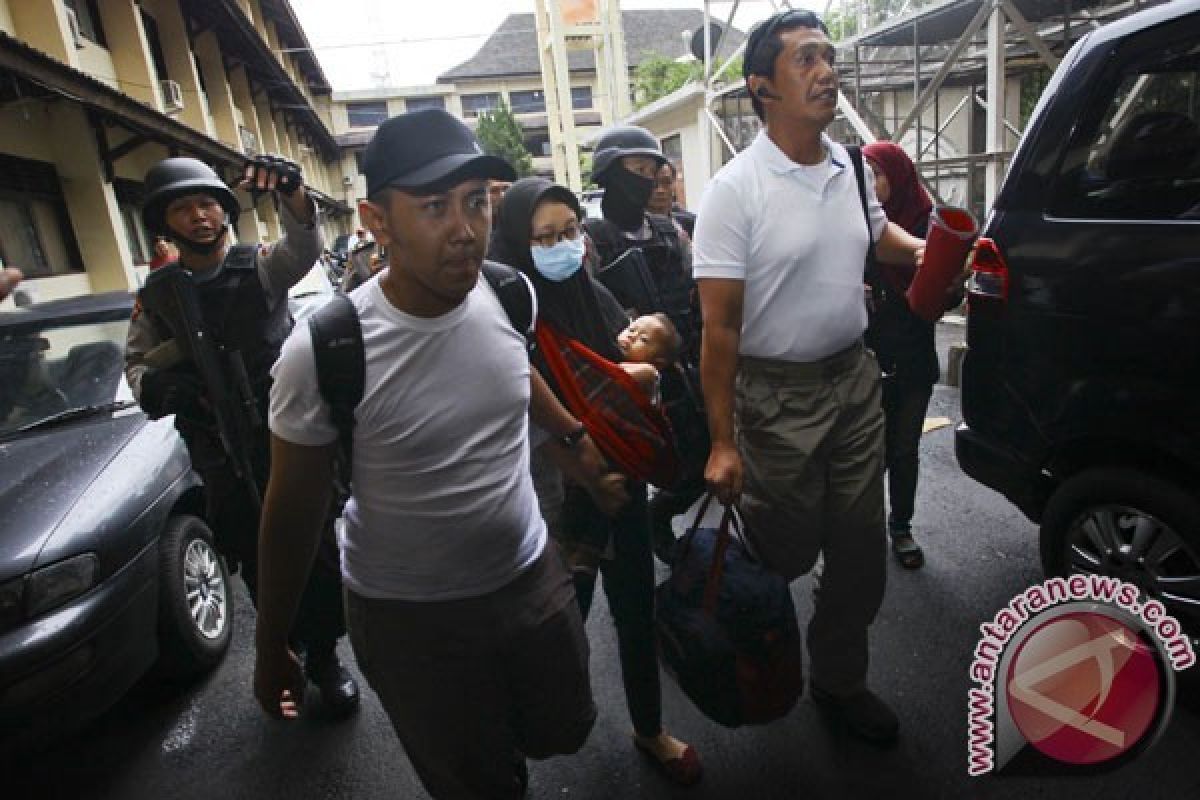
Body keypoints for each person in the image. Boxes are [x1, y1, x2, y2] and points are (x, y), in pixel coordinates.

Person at [255, 110, 619, 800]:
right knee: (478, 782)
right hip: (408, 616)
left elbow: (516, 374)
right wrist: (273, 641)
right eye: (433, 208)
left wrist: (580, 451)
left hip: (528, 575)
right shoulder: (326, 349)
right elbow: (291, 513)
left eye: (476, 202)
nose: (465, 228)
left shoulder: (509, 293)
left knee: (564, 729)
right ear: (377, 220)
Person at [692, 10, 926, 746]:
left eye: (828, 55)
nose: (827, 70)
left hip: (854, 386)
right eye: (805, 60)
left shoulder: (852, 167)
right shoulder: (736, 190)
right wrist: (722, 442)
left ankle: (838, 680)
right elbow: (720, 329)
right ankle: (723, 609)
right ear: (763, 87)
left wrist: (932, 249)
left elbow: (875, 235)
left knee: (857, 550)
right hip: (775, 396)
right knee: (788, 547)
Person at [124, 154, 360, 717]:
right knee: (255, 556)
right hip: (221, 451)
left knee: (314, 547)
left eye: (207, 204)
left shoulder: (256, 266)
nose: (200, 216)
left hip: (283, 437)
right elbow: (136, 370)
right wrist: (166, 389)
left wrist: (295, 195)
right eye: (184, 208)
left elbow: (302, 250)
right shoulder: (157, 296)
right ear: (166, 223)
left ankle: (325, 657)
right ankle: (286, 651)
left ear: (225, 212)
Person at [488, 176, 703, 788]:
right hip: (551, 502)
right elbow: (510, 413)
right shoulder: (505, 312)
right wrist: (582, 467)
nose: (563, 247)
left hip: (622, 487)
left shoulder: (602, 302)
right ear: (517, 243)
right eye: (545, 237)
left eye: (570, 232)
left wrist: (650, 384)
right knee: (558, 627)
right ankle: (518, 749)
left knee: (636, 609)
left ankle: (649, 727)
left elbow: (635, 388)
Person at [583, 127, 709, 563]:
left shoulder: (669, 230)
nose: (649, 179)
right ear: (610, 176)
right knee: (627, 481)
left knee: (699, 463)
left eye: (653, 170)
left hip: (678, 369)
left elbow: (692, 294)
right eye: (637, 170)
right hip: (623, 379)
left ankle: (659, 518)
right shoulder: (591, 238)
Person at [862, 141, 955, 570]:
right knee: (863, 452)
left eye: (876, 173)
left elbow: (947, 295)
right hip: (866, 359)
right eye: (864, 173)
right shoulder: (857, 226)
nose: (870, 182)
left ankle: (901, 528)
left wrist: (944, 285)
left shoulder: (930, 225)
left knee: (903, 449)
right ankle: (855, 531)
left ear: (897, 174)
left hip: (914, 356)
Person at [616, 312, 682, 401]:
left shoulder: (649, 372)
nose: (631, 336)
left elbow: (616, 374)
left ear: (657, 363)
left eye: (643, 339)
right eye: (631, 329)